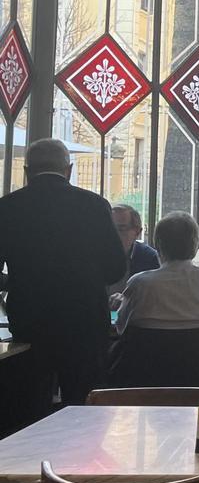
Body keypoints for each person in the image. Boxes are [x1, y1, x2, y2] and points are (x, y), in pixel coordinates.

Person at [0, 138, 126, 411]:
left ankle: (32, 453)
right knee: (83, 403)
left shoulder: (7, 207)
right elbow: (116, 267)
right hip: (84, 319)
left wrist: (15, 282)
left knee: (29, 402)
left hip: (29, 320)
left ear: (26, 171)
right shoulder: (94, 205)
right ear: (68, 170)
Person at [110, 212, 199, 390]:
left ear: (158, 245)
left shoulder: (140, 283)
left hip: (147, 382)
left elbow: (121, 326)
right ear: (195, 246)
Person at [107, 204, 160, 310]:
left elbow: (155, 301)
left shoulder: (150, 259)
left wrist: (128, 301)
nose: (112, 235)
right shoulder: (92, 256)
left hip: (133, 322)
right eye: (108, 229)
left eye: (121, 229)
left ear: (137, 232)